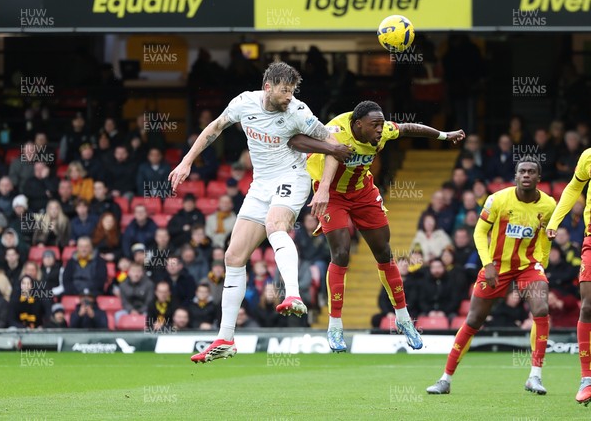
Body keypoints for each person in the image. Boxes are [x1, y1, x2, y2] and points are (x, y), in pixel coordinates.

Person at [168, 61, 351, 363]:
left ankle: (292, 294)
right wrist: (187, 161)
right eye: (284, 91)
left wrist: (323, 189)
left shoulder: (299, 112)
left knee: (275, 225)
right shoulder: (244, 103)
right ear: (268, 87)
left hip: (292, 176)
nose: (288, 97)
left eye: (292, 91)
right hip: (260, 184)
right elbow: (214, 128)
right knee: (232, 257)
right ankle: (225, 339)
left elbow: (334, 146)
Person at [290, 100, 464, 350]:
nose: (380, 130)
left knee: (384, 253)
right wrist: (328, 153)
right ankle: (335, 325)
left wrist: (444, 135)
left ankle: (404, 319)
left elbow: (407, 128)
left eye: (382, 125)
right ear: (358, 125)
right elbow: (295, 141)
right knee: (340, 254)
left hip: (363, 192)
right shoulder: (336, 131)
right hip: (331, 195)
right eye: (375, 126)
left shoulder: (381, 130)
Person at [427, 158, 556, 396]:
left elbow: (546, 238)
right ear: (515, 176)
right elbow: (479, 232)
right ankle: (445, 379)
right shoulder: (497, 199)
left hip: (528, 266)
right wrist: (487, 264)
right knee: (474, 319)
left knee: (541, 310)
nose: (526, 175)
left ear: (539, 178)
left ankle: (535, 376)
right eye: (522, 171)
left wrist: (541, 264)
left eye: (532, 172)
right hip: (496, 265)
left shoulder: (549, 205)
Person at [546, 147, 591, 404]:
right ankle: (587, 378)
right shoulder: (588, 156)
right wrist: (554, 220)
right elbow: (574, 188)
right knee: (588, 306)